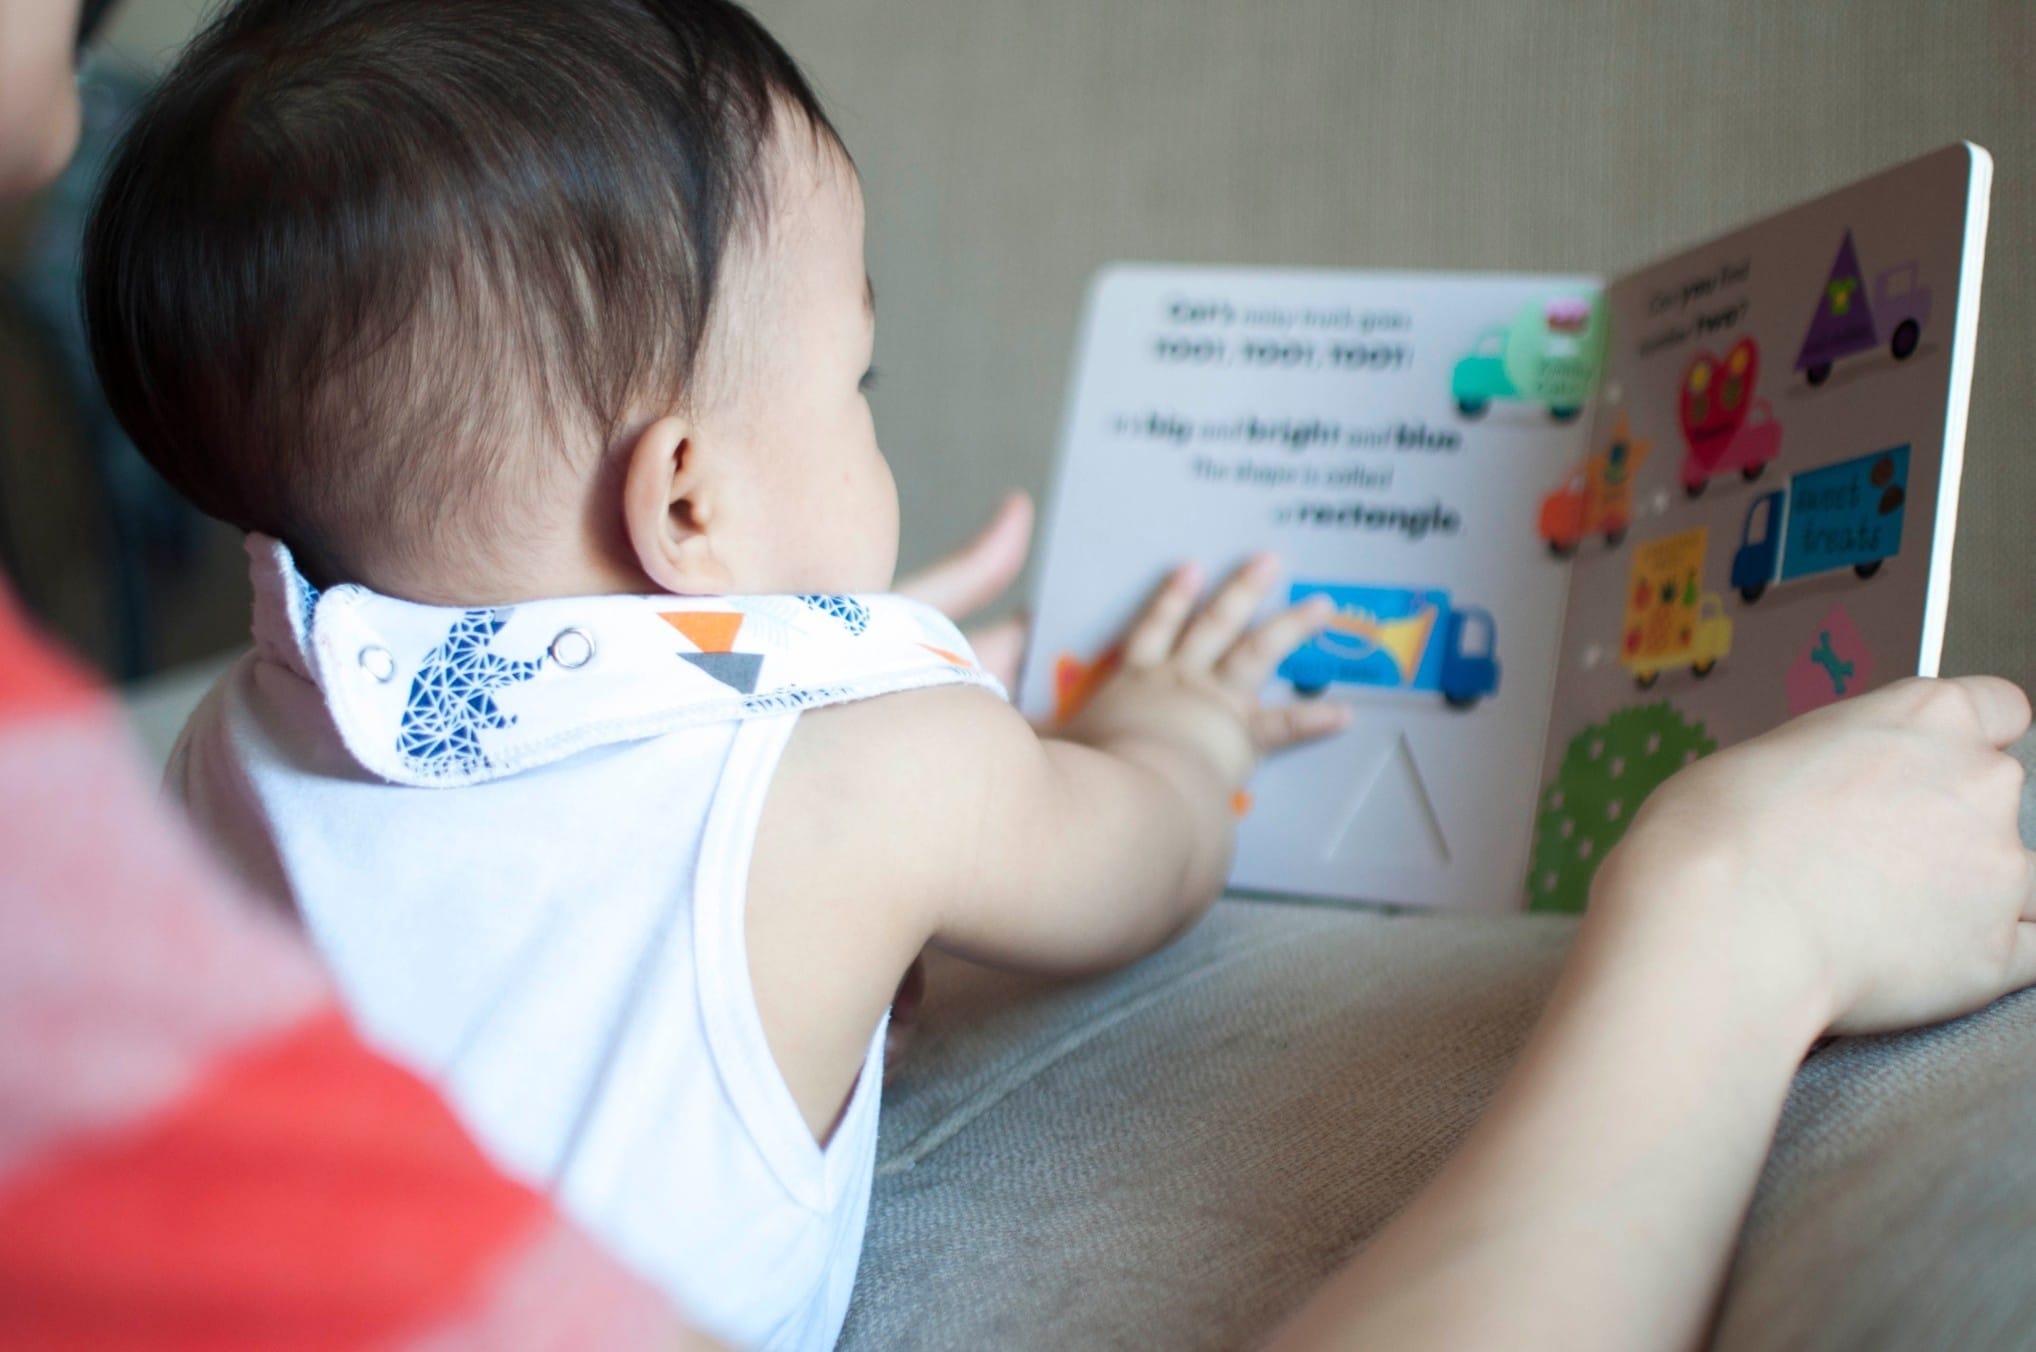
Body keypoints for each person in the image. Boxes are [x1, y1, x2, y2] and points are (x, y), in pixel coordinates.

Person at [69, 3, 2036, 1352]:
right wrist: (1155, 733)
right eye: (854, 379)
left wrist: (752, 644)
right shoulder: (888, 769)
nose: (867, 405)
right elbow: (1137, 861)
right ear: (684, 502)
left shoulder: (249, 724)